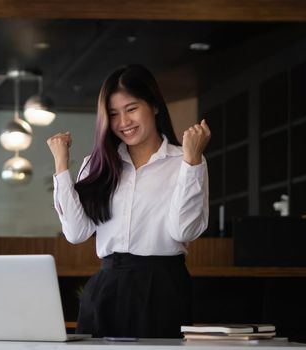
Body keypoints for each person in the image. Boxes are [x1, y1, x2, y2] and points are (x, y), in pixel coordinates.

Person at [46, 64, 211, 338]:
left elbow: (184, 231)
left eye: (131, 108)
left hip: (163, 288)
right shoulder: (97, 165)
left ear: (154, 106)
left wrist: (192, 161)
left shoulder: (185, 160)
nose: (123, 122)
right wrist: (61, 165)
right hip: (106, 288)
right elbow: (76, 233)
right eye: (113, 114)